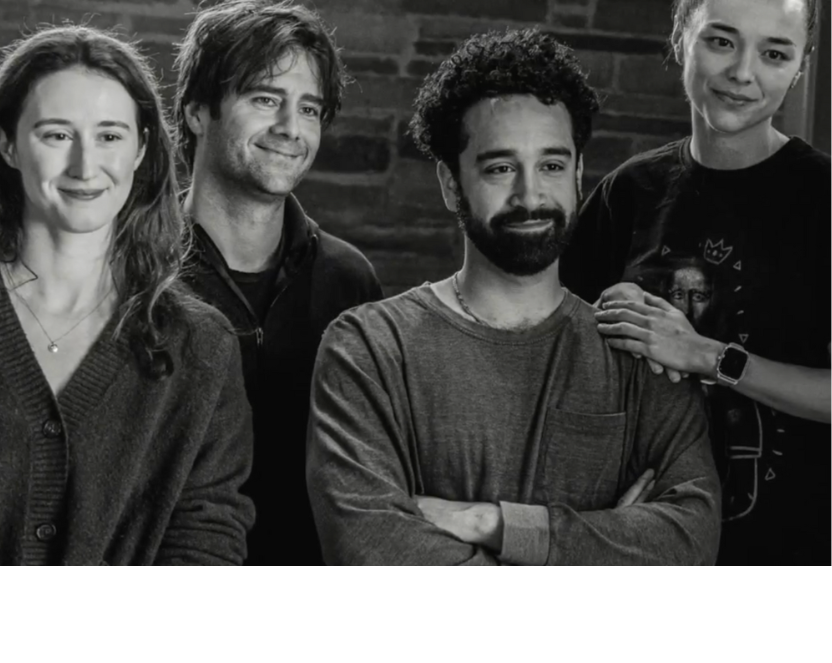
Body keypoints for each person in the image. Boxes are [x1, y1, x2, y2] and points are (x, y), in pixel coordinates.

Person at [306, 28, 721, 565]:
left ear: (577, 174)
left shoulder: (641, 353)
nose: (530, 195)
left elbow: (690, 544)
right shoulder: (367, 350)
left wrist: (497, 524)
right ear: (451, 183)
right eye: (501, 168)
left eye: (551, 165)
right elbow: (373, 552)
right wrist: (604, 553)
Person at [0, 25, 255, 565]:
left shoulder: (200, 348)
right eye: (56, 135)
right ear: (7, 145)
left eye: (110, 136)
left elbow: (208, 538)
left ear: (141, 149)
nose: (85, 166)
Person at [561, 0, 831, 565]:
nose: (742, 72)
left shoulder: (824, 201)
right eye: (722, 40)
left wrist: (710, 356)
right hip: (641, 551)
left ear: (801, 67)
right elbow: (562, 373)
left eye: (774, 53)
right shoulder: (628, 194)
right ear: (682, 38)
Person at [173, 0, 383, 564]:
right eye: (265, 99)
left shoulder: (349, 281)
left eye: (310, 109)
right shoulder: (130, 270)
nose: (291, 129)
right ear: (197, 111)